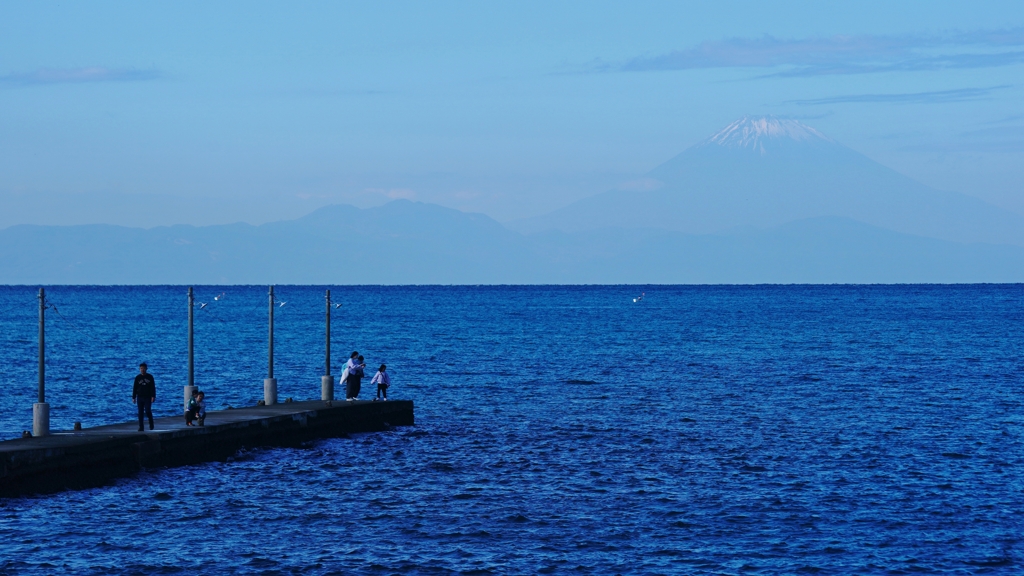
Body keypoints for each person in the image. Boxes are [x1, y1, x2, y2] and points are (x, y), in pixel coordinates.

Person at [132, 362, 156, 431]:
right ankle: (141, 427)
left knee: (148, 410)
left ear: (146, 369)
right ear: (139, 369)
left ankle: (151, 423)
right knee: (140, 412)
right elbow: (134, 387)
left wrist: (153, 396)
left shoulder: (150, 377)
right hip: (139, 397)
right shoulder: (137, 378)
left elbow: (152, 387)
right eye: (141, 368)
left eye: (144, 368)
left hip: (147, 397)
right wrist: (134, 397)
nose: (142, 370)